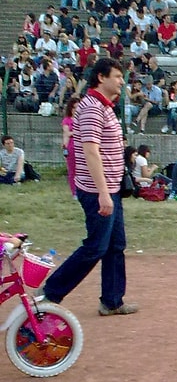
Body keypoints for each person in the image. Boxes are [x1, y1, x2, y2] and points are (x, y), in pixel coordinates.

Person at [42, 58, 138, 316]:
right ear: (101, 78)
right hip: (99, 191)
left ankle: (112, 300)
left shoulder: (104, 107)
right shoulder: (92, 107)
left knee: (116, 244)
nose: (121, 81)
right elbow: (90, 152)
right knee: (96, 245)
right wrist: (104, 192)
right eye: (117, 76)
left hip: (110, 189)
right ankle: (50, 292)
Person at [62, 96, 79, 196]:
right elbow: (66, 133)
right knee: (72, 171)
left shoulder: (83, 119)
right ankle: (74, 192)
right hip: (72, 146)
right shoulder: (67, 120)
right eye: (74, 108)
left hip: (82, 146)